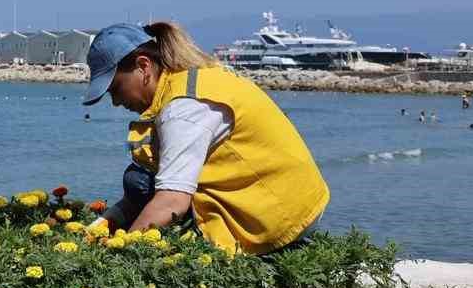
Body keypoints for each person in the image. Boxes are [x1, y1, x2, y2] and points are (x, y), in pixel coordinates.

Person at [83, 21, 328, 255]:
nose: (115, 102)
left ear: (143, 66)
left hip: (279, 220)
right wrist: (102, 225)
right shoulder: (189, 79)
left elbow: (171, 202)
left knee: (145, 190)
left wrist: (119, 255)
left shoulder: (184, 109)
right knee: (141, 180)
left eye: (115, 88)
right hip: (291, 203)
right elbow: (142, 191)